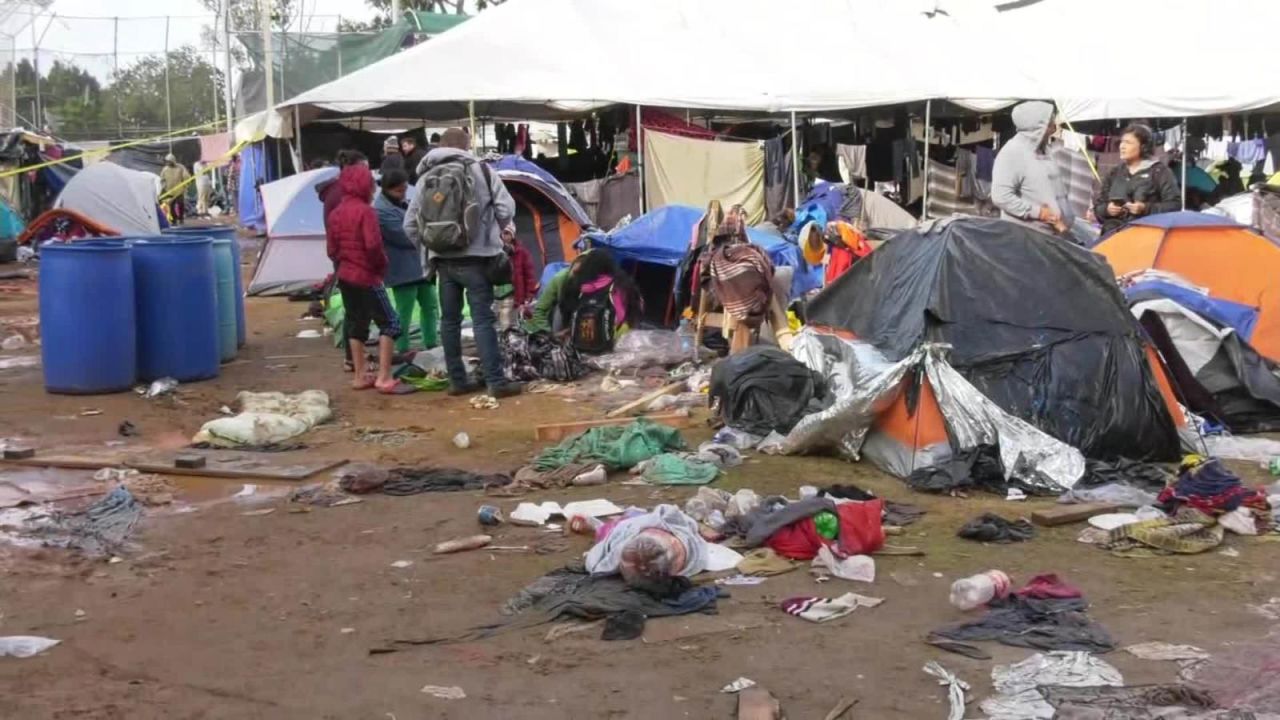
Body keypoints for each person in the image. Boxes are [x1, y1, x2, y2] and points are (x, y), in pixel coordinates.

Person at [404, 127, 522, 397]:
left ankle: (457, 381)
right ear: (467, 145)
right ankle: (496, 382)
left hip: (443, 262)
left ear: (442, 145)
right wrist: (497, 232)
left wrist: (430, 248)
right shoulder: (481, 171)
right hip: (478, 260)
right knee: (482, 320)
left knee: (449, 322)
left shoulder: (425, 177)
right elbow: (506, 208)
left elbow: (409, 224)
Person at [326, 162, 402, 393]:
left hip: (345, 276)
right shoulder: (366, 212)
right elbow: (373, 246)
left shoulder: (336, 213)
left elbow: (331, 250)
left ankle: (360, 375)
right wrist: (381, 267)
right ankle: (384, 376)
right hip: (367, 276)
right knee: (390, 323)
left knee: (356, 324)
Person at [375, 168, 438, 354]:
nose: (402, 194)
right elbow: (405, 236)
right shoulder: (381, 210)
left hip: (420, 265)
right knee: (404, 311)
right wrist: (425, 229)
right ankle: (402, 348)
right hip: (402, 269)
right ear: (387, 188)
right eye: (398, 190)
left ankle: (432, 343)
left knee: (431, 305)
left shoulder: (403, 204)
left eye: (404, 189)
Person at [991, 101, 1073, 238]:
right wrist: (1038, 212)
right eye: (1050, 124)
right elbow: (1001, 196)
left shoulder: (1045, 150)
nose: (1054, 128)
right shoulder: (1013, 152)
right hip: (1026, 238)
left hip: (1052, 236)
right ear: (1036, 126)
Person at [1094, 124, 1181, 237]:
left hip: (1146, 236)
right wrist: (1107, 210)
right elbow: (1099, 206)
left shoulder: (1159, 172)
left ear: (1143, 147)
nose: (1122, 146)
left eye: (1128, 143)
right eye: (1122, 142)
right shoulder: (1115, 173)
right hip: (1113, 236)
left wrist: (1146, 208)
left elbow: (1175, 205)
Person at [493, 232, 537, 330]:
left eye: (507, 233)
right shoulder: (493, 252)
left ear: (512, 235)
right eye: (501, 233)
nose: (504, 236)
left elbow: (530, 276)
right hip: (496, 294)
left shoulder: (522, 252)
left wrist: (529, 295)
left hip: (515, 295)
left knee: (511, 322)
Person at [160, 154, 191, 225]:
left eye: (169, 161)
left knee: (180, 204)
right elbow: (162, 179)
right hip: (170, 190)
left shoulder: (180, 167)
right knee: (171, 206)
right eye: (166, 161)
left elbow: (186, 176)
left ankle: (181, 219)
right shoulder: (165, 169)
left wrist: (185, 184)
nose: (167, 163)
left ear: (172, 161)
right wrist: (164, 186)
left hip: (179, 190)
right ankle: (174, 220)